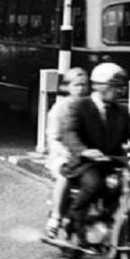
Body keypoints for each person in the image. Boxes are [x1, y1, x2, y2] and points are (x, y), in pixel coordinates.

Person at [59, 62, 130, 247]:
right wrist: (85, 151)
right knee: (94, 185)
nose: (120, 91)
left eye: (121, 87)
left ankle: (113, 224)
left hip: (113, 162)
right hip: (85, 163)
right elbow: (70, 133)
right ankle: (74, 225)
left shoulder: (120, 111)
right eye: (116, 87)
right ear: (101, 86)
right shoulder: (80, 107)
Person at [44, 67, 89, 239]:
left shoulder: (90, 107)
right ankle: (55, 218)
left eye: (84, 85)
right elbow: (54, 137)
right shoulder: (59, 109)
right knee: (66, 175)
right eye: (77, 85)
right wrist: (65, 153)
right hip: (63, 156)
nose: (81, 89)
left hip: (84, 155)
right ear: (68, 87)